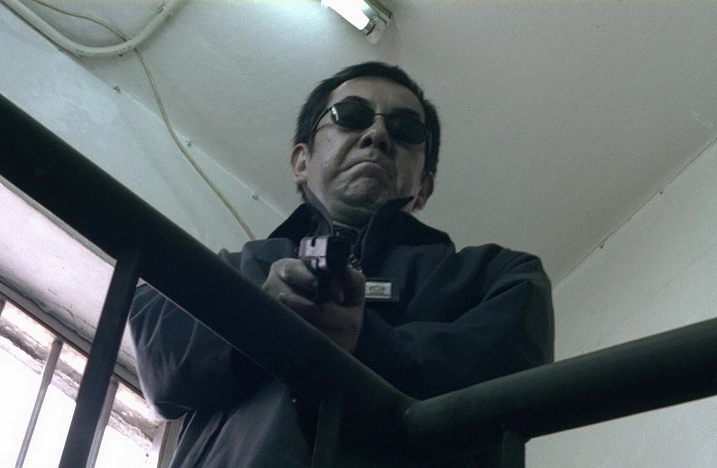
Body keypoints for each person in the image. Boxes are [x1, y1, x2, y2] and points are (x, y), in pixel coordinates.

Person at [128, 61, 554, 467]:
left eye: (405, 129)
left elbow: (509, 380)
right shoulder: (241, 268)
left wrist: (363, 341)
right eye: (350, 116)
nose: (377, 134)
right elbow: (157, 352)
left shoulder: (497, 275)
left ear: (424, 187)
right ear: (301, 161)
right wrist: (259, 311)